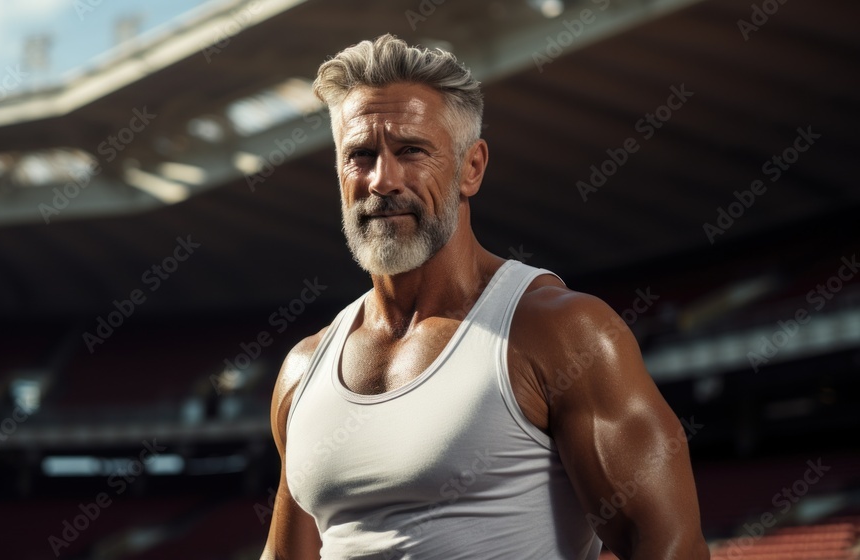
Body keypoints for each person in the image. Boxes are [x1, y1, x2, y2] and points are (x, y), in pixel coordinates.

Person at [261, 34, 709, 560]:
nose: (382, 180)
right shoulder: (303, 370)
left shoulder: (562, 332)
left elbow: (666, 545)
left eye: (411, 151)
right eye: (360, 155)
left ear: (471, 168)